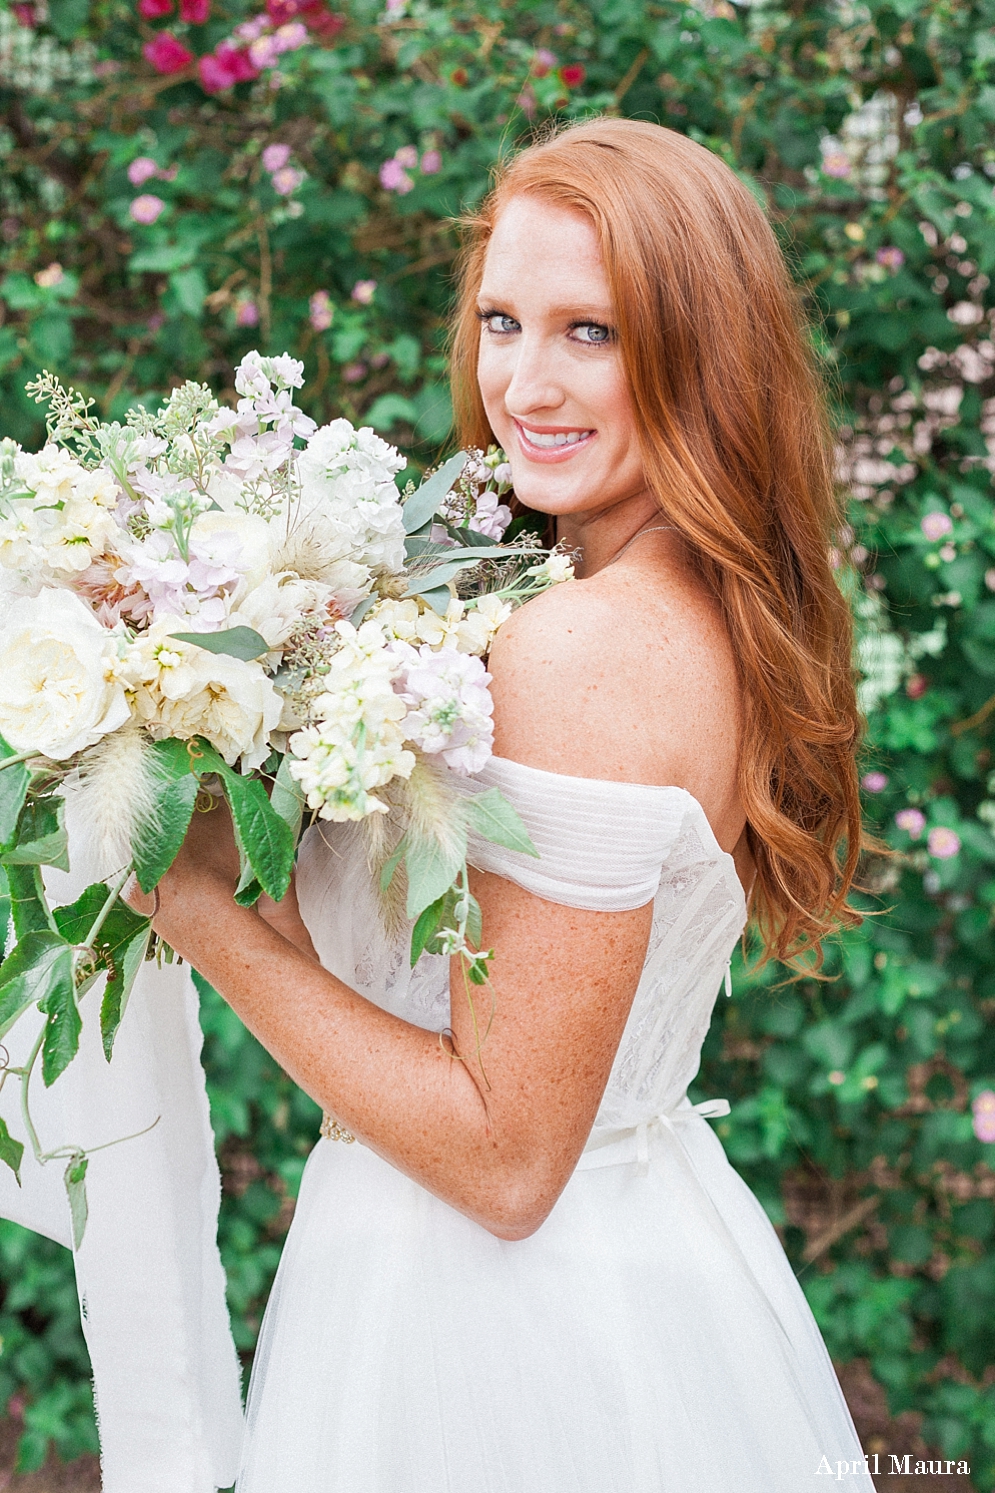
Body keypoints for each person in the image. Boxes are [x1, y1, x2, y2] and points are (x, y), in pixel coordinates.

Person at [129, 118, 875, 1491]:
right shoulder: (642, 608)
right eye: (504, 320)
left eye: (592, 331)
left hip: (503, 1339)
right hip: (574, 1260)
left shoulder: (585, 650)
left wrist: (188, 905)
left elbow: (508, 1156)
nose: (526, 380)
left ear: (702, 351)